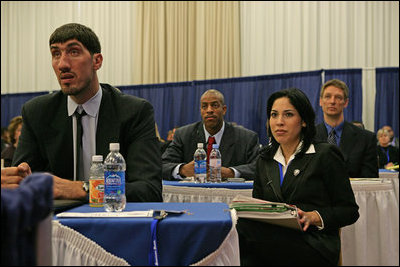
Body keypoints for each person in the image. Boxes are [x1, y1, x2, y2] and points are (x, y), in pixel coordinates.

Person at [6, 23, 162, 202]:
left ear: (97, 61)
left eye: (73, 52)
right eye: (56, 54)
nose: (62, 64)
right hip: (55, 224)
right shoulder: (37, 112)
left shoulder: (134, 112)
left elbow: (149, 189)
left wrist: (82, 189)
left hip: (115, 221)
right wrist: (16, 179)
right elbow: (21, 184)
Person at [237, 88, 359, 266]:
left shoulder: (325, 154)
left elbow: (349, 211)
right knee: (238, 229)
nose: (279, 122)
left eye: (288, 115)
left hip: (314, 242)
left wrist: (313, 217)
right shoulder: (265, 159)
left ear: (303, 121)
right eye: (274, 115)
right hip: (272, 239)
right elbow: (260, 209)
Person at [162, 89, 260, 180]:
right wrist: (182, 170)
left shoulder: (246, 137)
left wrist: (232, 173)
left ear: (224, 109)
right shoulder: (183, 135)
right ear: (201, 110)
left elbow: (259, 167)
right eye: (204, 106)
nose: (209, 110)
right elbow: (162, 164)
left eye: (214, 105)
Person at [315, 79, 378, 178]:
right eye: (328, 96)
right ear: (320, 101)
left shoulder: (366, 139)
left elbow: (369, 182)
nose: (332, 101)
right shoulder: (308, 137)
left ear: (346, 103)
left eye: (338, 97)